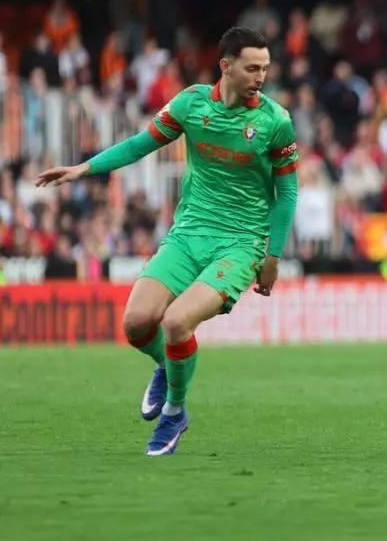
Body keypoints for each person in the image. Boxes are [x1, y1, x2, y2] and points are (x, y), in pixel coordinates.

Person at [35, 27, 299, 456]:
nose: (261, 77)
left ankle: (175, 413)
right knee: (137, 323)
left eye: (266, 68)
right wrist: (84, 169)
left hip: (240, 244)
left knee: (177, 322)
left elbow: (287, 193)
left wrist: (273, 256)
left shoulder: (275, 121)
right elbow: (141, 144)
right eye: (252, 68)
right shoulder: (192, 104)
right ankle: (167, 364)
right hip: (188, 234)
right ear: (226, 67)